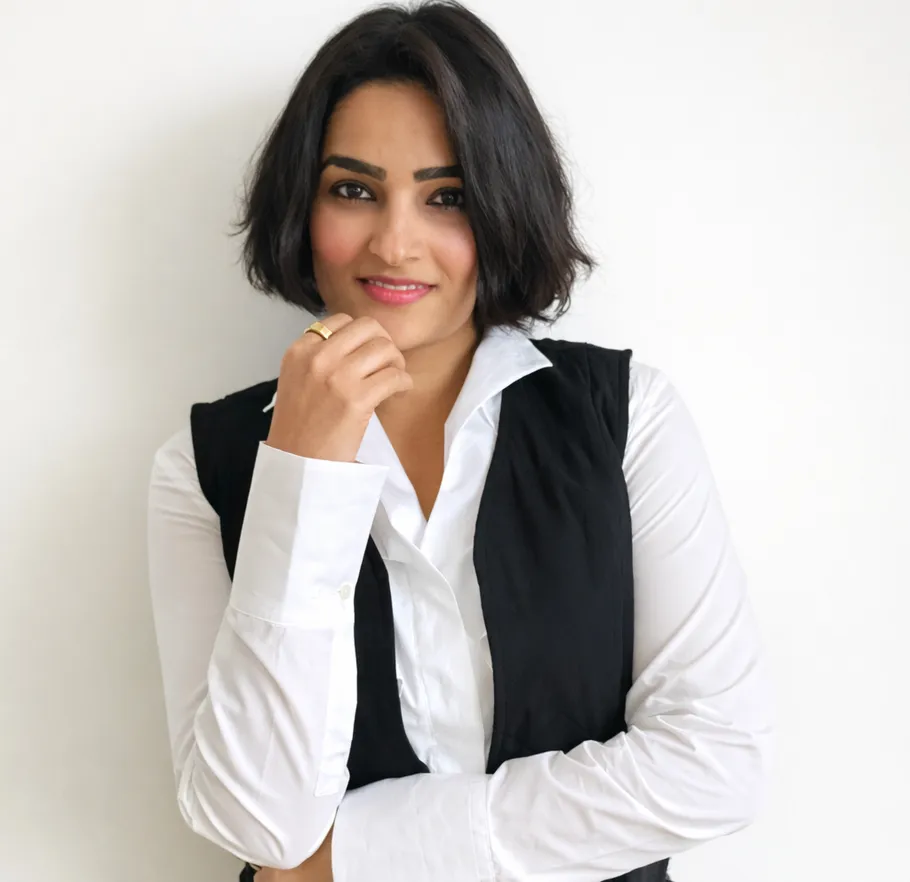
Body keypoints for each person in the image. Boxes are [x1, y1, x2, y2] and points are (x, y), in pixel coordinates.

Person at [146, 2, 774, 881]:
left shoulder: (626, 418)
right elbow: (259, 821)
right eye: (353, 189)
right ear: (304, 203)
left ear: (504, 205)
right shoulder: (203, 465)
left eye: (448, 197)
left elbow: (714, 765)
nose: (395, 242)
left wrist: (352, 859)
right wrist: (302, 472)